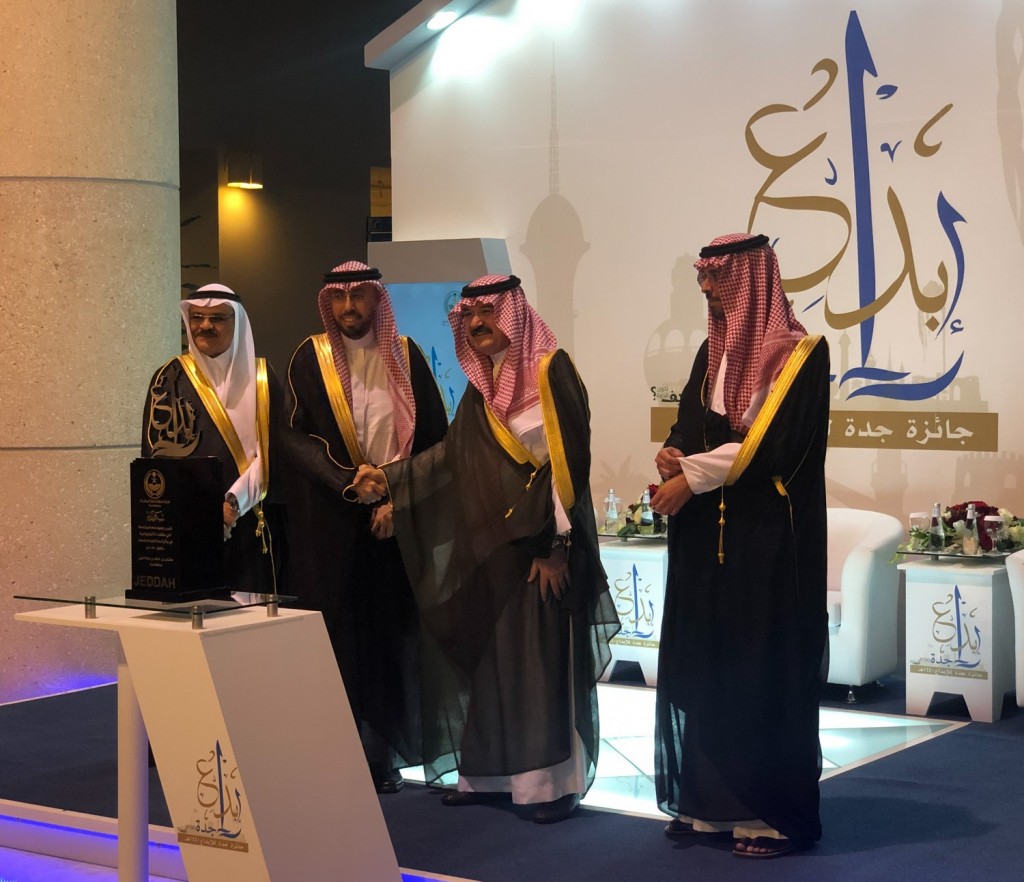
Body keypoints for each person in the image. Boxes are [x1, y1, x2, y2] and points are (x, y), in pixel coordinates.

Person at [351, 273, 620, 824]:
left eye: (488, 313)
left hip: (540, 548)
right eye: (469, 316)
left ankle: (549, 784)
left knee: (537, 664)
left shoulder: (550, 370)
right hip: (491, 548)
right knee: (493, 662)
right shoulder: (483, 386)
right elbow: (450, 457)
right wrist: (391, 481)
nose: (477, 324)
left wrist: (554, 545)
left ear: (514, 314)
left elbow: (569, 465)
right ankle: (490, 777)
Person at [650, 233, 829, 859]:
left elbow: (773, 445)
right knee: (709, 668)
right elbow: (691, 421)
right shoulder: (712, 350)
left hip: (766, 545)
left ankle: (771, 816)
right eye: (702, 279)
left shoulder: (801, 355)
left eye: (717, 278)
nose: (706, 289)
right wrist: (673, 452)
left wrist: (690, 478)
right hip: (708, 540)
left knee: (760, 671)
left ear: (751, 281)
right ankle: (712, 807)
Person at [285, 261, 448, 794]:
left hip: (393, 523)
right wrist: (349, 484)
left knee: (390, 637)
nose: (349, 307)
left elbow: (435, 440)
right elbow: (294, 438)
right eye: (339, 298)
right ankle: (332, 750)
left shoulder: (406, 354)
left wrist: (397, 496)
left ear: (378, 300)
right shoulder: (310, 357)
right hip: (333, 523)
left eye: (359, 296)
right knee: (337, 636)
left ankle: (382, 755)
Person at [141, 283, 286, 593]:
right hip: (188, 529)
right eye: (196, 317)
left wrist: (232, 506)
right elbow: (157, 460)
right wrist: (203, 515)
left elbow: (276, 453)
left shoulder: (262, 378)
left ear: (237, 322)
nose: (205, 326)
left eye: (217, 318)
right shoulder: (170, 378)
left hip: (250, 526)